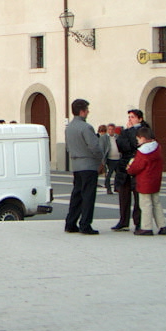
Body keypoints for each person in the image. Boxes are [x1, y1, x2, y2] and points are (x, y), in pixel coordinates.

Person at [64, 99, 105, 235]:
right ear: (82, 112)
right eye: (87, 110)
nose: (88, 112)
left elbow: (68, 147)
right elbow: (94, 146)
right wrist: (101, 160)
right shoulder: (86, 127)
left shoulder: (69, 127)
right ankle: (85, 224)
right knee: (88, 196)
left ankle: (70, 223)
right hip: (89, 164)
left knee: (77, 195)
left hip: (76, 165)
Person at [127, 125, 166, 235]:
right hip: (155, 179)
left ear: (143, 138)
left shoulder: (143, 151)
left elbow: (137, 166)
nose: (138, 141)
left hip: (144, 180)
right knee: (156, 203)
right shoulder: (157, 148)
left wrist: (129, 169)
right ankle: (162, 226)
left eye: (138, 139)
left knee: (145, 204)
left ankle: (147, 227)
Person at [112, 109, 147, 232]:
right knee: (124, 194)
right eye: (129, 117)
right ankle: (123, 221)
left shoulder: (144, 130)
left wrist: (129, 132)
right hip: (124, 166)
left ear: (140, 119)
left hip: (137, 165)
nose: (130, 119)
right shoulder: (126, 131)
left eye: (133, 117)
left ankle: (138, 221)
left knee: (138, 195)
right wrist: (127, 133)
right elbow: (121, 145)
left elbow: (135, 145)